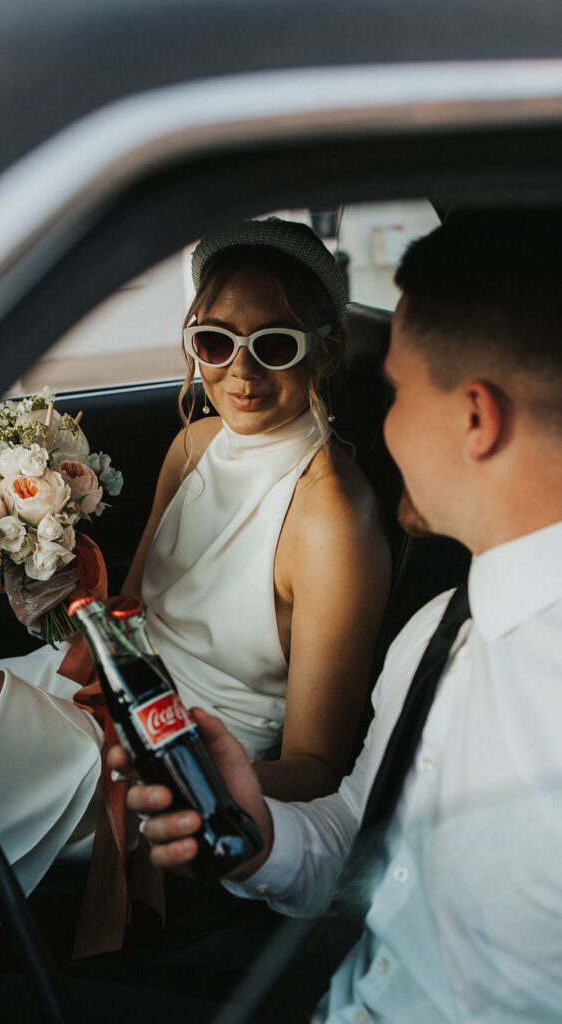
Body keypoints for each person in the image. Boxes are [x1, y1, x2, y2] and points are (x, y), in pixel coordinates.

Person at [0, 217, 391, 955]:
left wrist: (183, 794)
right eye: (215, 343)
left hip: (164, 756)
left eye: (274, 346)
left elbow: (316, 767)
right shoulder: (194, 444)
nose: (240, 375)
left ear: (327, 349)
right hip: (98, 694)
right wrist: (44, 575)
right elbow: (128, 616)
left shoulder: (331, 522)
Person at [113, 208, 562, 1022]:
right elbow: (360, 830)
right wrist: (258, 831)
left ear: (474, 418)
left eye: (393, 391)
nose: (377, 422)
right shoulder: (436, 636)